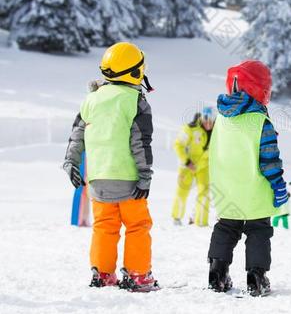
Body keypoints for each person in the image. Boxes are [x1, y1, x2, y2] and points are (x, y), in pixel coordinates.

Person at [63, 42, 157, 292]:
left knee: (104, 227)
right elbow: (141, 142)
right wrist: (145, 176)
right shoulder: (135, 101)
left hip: (97, 180)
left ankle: (103, 274)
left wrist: (71, 161)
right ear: (135, 72)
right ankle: (138, 275)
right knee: (137, 226)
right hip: (128, 180)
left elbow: (77, 134)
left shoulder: (91, 99)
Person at [206, 60, 289, 297]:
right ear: (260, 90)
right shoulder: (261, 122)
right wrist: (279, 185)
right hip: (255, 191)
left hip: (226, 189)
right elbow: (269, 160)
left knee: (225, 228)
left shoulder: (220, 120)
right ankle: (257, 276)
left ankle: (217, 271)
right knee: (258, 231)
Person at [171, 106, 215, 226]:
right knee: (182, 192)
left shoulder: (216, 132)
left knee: (204, 193)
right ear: (201, 119)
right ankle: (177, 218)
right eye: (206, 120)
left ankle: (201, 222)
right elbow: (178, 145)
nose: (208, 123)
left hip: (204, 166)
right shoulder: (190, 129)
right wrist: (187, 161)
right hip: (187, 166)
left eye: (211, 121)